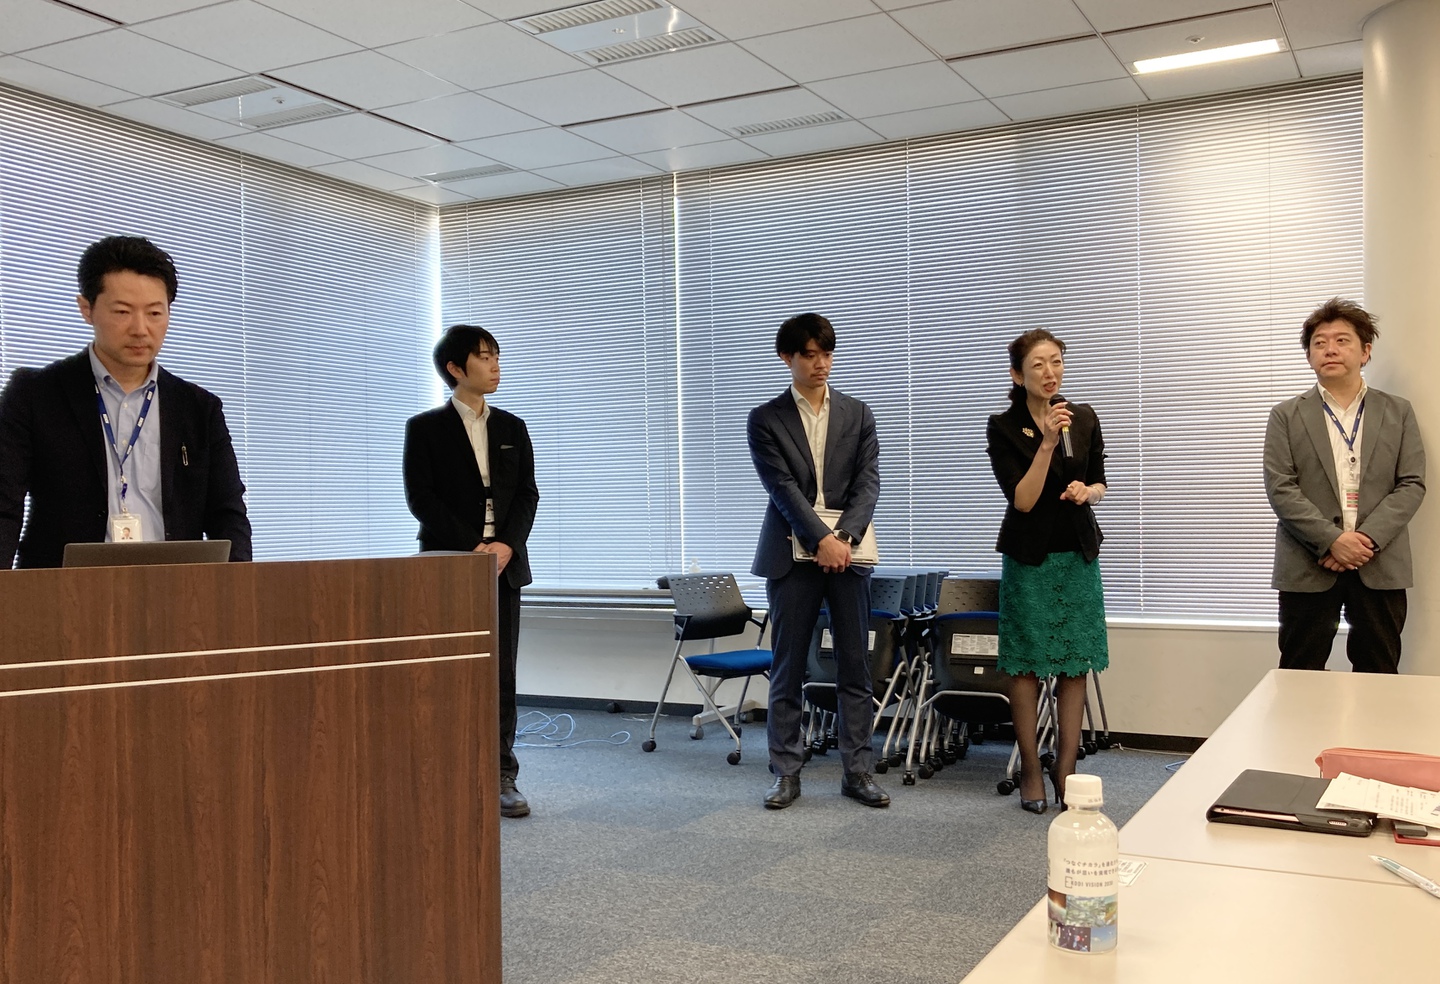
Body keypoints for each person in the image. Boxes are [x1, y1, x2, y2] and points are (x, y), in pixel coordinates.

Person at [0, 236, 251, 570]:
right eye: (122, 312)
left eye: (155, 313)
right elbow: (4, 507)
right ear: (86, 309)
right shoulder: (36, 396)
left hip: (177, 589)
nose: (140, 329)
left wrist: (235, 590)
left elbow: (228, 515)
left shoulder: (199, 409)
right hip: (65, 590)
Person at [747, 312, 886, 810]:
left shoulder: (858, 413)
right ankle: (786, 772)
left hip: (849, 553)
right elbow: (782, 488)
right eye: (809, 355)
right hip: (791, 555)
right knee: (788, 667)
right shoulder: (766, 418)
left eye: (827, 354)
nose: (820, 363)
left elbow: (868, 483)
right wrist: (820, 538)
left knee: (855, 666)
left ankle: (858, 772)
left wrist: (841, 538)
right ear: (787, 357)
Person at [403, 325, 539, 818]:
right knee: (446, 671)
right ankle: (444, 771)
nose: (495, 365)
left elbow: (527, 494)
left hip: (503, 567)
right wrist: (473, 546)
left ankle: (502, 774)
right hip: (448, 565)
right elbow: (421, 498)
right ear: (455, 369)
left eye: (497, 355)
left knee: (501, 673)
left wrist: (504, 546)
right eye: (484, 357)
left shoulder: (513, 427)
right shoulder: (425, 428)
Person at [1263, 298, 1426, 673]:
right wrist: (1331, 540)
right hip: (1308, 563)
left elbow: (1411, 484)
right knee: (1300, 671)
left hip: (1379, 563)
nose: (1330, 349)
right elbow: (1281, 488)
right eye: (1319, 343)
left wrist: (1363, 540)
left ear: (1365, 351)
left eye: (1342, 340)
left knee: (1380, 671)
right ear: (1309, 356)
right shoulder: (1286, 415)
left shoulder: (1398, 411)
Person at [986, 328, 1108, 813]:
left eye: (1056, 361)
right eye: (1038, 364)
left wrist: (1087, 492)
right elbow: (1023, 499)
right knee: (1026, 666)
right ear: (1018, 375)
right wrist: (1047, 443)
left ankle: (1068, 770)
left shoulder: (1084, 416)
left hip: (1077, 556)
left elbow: (1099, 480)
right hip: (1029, 559)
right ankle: (1032, 770)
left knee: (1074, 666)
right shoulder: (1004, 426)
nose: (1050, 372)